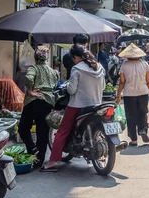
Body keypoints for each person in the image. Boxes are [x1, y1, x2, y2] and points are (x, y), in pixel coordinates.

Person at [42, 44, 105, 172]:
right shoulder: (99, 67)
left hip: (78, 105)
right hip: (96, 103)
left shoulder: (77, 69)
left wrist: (67, 86)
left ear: (76, 57)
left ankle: (53, 160)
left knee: (62, 130)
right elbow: (103, 86)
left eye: (73, 58)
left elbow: (71, 90)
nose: (73, 60)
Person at [18, 46, 58, 167]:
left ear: (36, 57)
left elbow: (29, 78)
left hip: (33, 101)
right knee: (42, 132)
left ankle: (32, 149)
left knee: (23, 128)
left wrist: (30, 90)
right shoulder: (52, 71)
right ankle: (39, 160)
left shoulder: (33, 68)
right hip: (48, 103)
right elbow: (55, 83)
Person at [115, 44, 149, 146]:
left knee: (131, 116)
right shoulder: (144, 64)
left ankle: (134, 139)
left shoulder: (124, 66)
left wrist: (118, 96)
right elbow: (148, 82)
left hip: (129, 94)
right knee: (142, 113)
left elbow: (122, 82)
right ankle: (142, 130)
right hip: (143, 93)